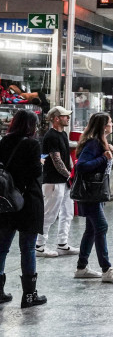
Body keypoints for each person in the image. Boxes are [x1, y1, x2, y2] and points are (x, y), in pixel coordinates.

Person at [0, 110, 47, 308]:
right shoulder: (32, 143)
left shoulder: (3, 141)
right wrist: (40, 163)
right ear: (31, 126)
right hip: (28, 201)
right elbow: (35, 172)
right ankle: (29, 296)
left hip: (5, 200)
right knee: (27, 248)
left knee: (2, 247)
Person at [73, 112, 113, 282]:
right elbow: (81, 166)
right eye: (109, 123)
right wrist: (103, 158)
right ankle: (106, 269)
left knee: (91, 229)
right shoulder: (93, 144)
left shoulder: (100, 143)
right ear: (103, 126)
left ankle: (82, 267)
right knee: (101, 227)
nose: (112, 125)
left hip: (95, 194)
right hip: (90, 195)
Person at [35, 106, 79, 258]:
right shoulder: (51, 136)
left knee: (68, 213)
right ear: (56, 118)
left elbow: (65, 158)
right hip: (54, 181)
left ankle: (62, 244)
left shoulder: (63, 134)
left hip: (63, 181)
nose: (67, 118)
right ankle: (39, 246)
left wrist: (71, 174)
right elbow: (56, 159)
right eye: (65, 116)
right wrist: (69, 176)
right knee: (49, 214)